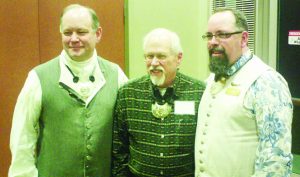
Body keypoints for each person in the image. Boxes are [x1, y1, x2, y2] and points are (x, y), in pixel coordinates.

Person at [8, 4, 127, 177]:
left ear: (98, 34)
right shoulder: (38, 77)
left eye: (81, 32)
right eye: (67, 32)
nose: (74, 39)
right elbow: (22, 138)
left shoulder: (116, 76)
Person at [194, 7, 293, 177]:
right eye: (209, 36)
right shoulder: (211, 79)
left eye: (222, 34)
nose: (213, 41)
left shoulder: (266, 82)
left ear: (244, 38)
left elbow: (276, 162)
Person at [112, 28, 205, 177]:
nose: (154, 63)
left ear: (179, 58)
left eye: (161, 56)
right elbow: (118, 149)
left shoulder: (199, 92)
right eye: (149, 56)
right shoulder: (128, 93)